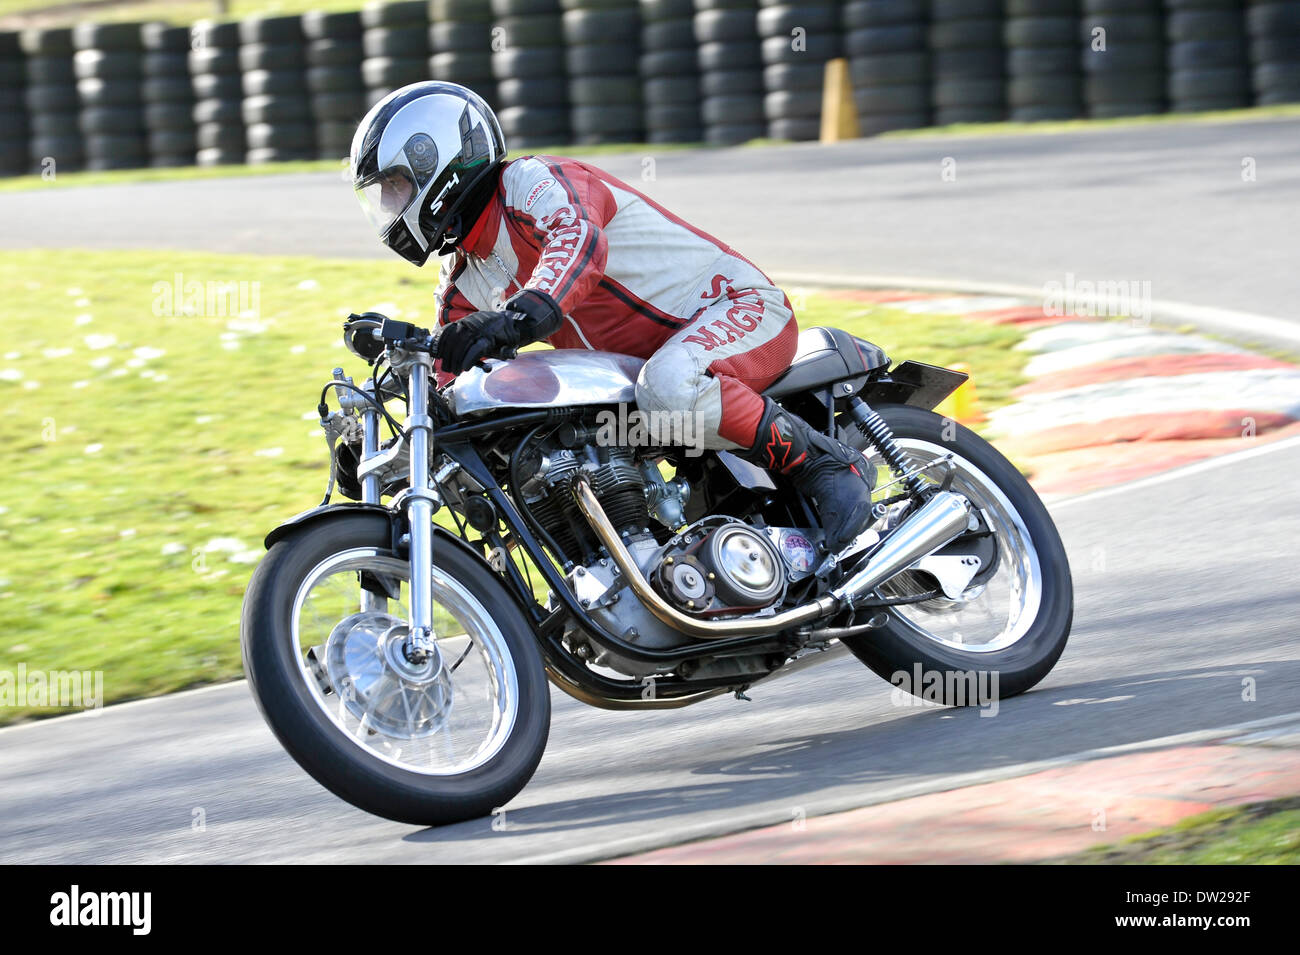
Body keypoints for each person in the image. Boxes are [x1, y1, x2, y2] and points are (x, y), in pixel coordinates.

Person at [349, 81, 873, 551]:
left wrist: (516, 318)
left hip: (736, 310)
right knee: (556, 441)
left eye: (395, 186)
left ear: (435, 162)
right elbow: (451, 383)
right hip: (652, 384)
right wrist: (391, 441)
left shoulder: (534, 183)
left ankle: (826, 464)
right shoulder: (466, 274)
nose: (391, 206)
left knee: (667, 384)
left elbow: (577, 244)